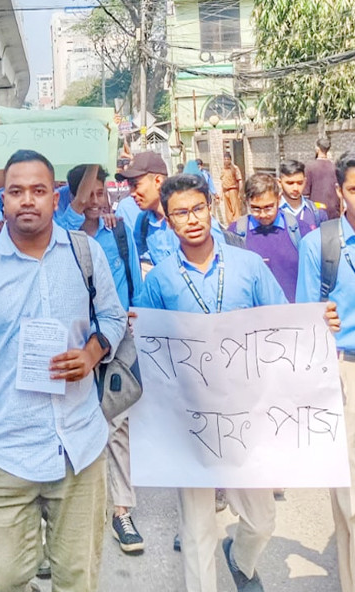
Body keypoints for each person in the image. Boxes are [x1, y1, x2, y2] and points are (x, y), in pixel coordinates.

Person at [136, 173, 337, 592]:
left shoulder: (247, 266)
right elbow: (149, 353)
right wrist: (138, 328)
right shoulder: (159, 281)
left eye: (197, 209)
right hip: (190, 421)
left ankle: (241, 558)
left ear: (210, 207)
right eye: (179, 214)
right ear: (169, 222)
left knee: (262, 520)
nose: (191, 220)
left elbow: (282, 324)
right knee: (196, 531)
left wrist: (318, 323)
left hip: (249, 416)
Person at [0, 149, 127, 592]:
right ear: (2, 199)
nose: (28, 200)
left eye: (38, 191)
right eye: (17, 191)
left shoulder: (86, 254)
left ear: (54, 196)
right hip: (6, 450)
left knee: (77, 579)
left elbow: (115, 318)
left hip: (78, 448)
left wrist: (91, 354)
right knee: (2, 577)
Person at [56, 164, 144, 554]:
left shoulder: (119, 233)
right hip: (72, 348)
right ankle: (57, 521)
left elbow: (135, 289)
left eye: (101, 193)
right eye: (88, 193)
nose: (97, 201)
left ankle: (121, 509)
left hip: (115, 344)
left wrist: (136, 325)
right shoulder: (61, 236)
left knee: (117, 427)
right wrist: (90, 161)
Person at [296, 150, 355, 592]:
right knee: (350, 501)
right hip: (343, 374)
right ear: (339, 192)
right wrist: (321, 320)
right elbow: (304, 322)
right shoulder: (320, 245)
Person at [226, 174, 304, 302]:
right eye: (255, 209)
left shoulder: (298, 230)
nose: (262, 215)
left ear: (279, 199)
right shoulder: (235, 234)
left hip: (292, 313)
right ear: (246, 202)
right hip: (255, 316)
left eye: (268, 208)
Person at [279, 159, 328, 232]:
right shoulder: (271, 212)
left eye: (300, 183)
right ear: (279, 183)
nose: (295, 188)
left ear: (305, 182)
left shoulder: (317, 213)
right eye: (290, 183)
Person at [304, 137, 340, 219]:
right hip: (333, 211)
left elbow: (305, 193)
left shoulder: (310, 167)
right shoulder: (335, 167)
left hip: (316, 211)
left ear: (317, 149)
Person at [220, 152, 243, 223]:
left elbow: (240, 181)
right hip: (225, 191)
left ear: (230, 160)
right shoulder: (223, 169)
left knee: (235, 209)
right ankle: (230, 226)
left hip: (233, 190)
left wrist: (240, 192)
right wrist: (221, 193)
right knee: (228, 211)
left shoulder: (235, 168)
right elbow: (222, 181)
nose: (226, 160)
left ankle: (237, 225)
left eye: (228, 159)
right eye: (225, 159)